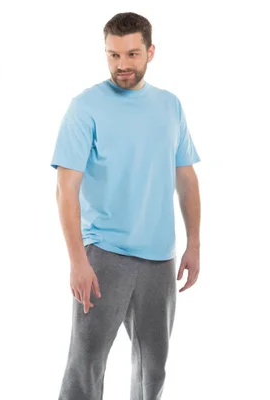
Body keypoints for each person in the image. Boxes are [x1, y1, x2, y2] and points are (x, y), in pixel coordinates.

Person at [51, 12, 201, 400]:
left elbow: (186, 178)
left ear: (150, 52)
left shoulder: (170, 106)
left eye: (132, 54)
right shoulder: (85, 106)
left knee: (153, 369)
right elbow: (66, 188)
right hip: (104, 254)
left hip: (159, 258)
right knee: (85, 367)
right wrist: (78, 261)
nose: (122, 65)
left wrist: (195, 243)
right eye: (113, 55)